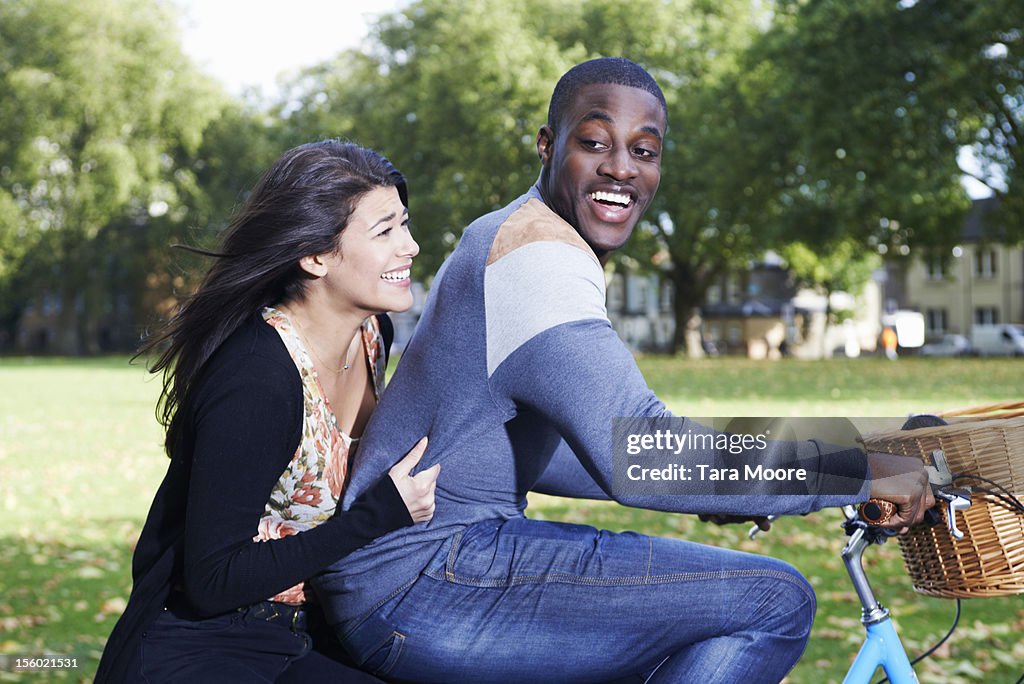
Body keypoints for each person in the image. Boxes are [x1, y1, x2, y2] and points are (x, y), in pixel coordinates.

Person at [313, 58, 934, 683]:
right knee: (775, 600)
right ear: (547, 144)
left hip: (410, 571)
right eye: (594, 142)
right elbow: (640, 448)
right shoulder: (537, 261)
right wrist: (865, 468)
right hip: (424, 580)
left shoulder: (509, 233)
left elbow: (529, 449)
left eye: (644, 150)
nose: (620, 167)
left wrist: (720, 492)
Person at [94, 140, 440, 683]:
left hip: (312, 629)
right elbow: (212, 579)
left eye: (405, 224)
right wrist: (379, 516)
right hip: (207, 646)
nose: (411, 246)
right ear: (315, 255)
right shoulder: (257, 377)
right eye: (385, 231)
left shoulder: (374, 334)